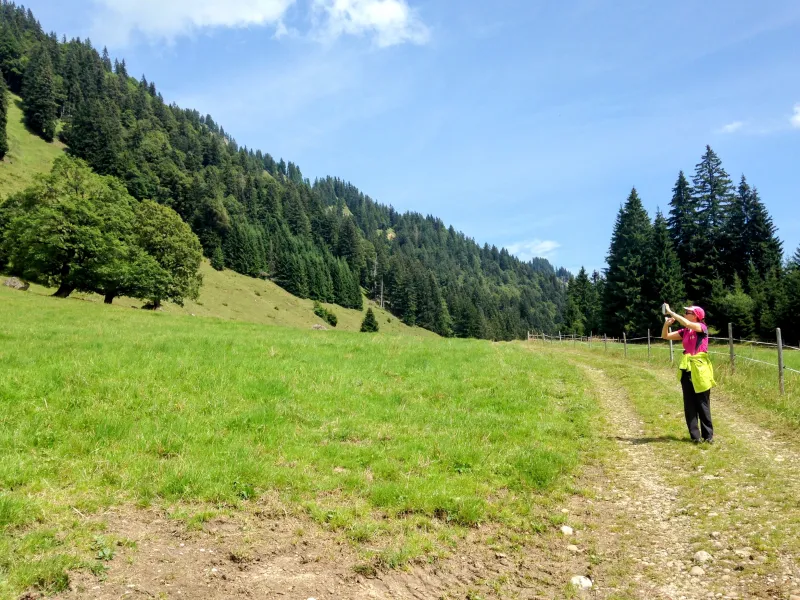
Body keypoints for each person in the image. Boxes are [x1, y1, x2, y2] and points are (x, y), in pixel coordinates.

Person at [661, 304, 717, 444]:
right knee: (689, 404)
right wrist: (666, 325)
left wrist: (671, 312)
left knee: (702, 403)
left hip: (700, 369)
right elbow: (665, 336)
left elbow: (687, 323)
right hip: (686, 368)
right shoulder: (685, 330)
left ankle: (708, 436)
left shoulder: (701, 328)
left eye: (688, 312)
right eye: (685, 312)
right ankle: (695, 437)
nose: (685, 314)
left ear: (696, 316)